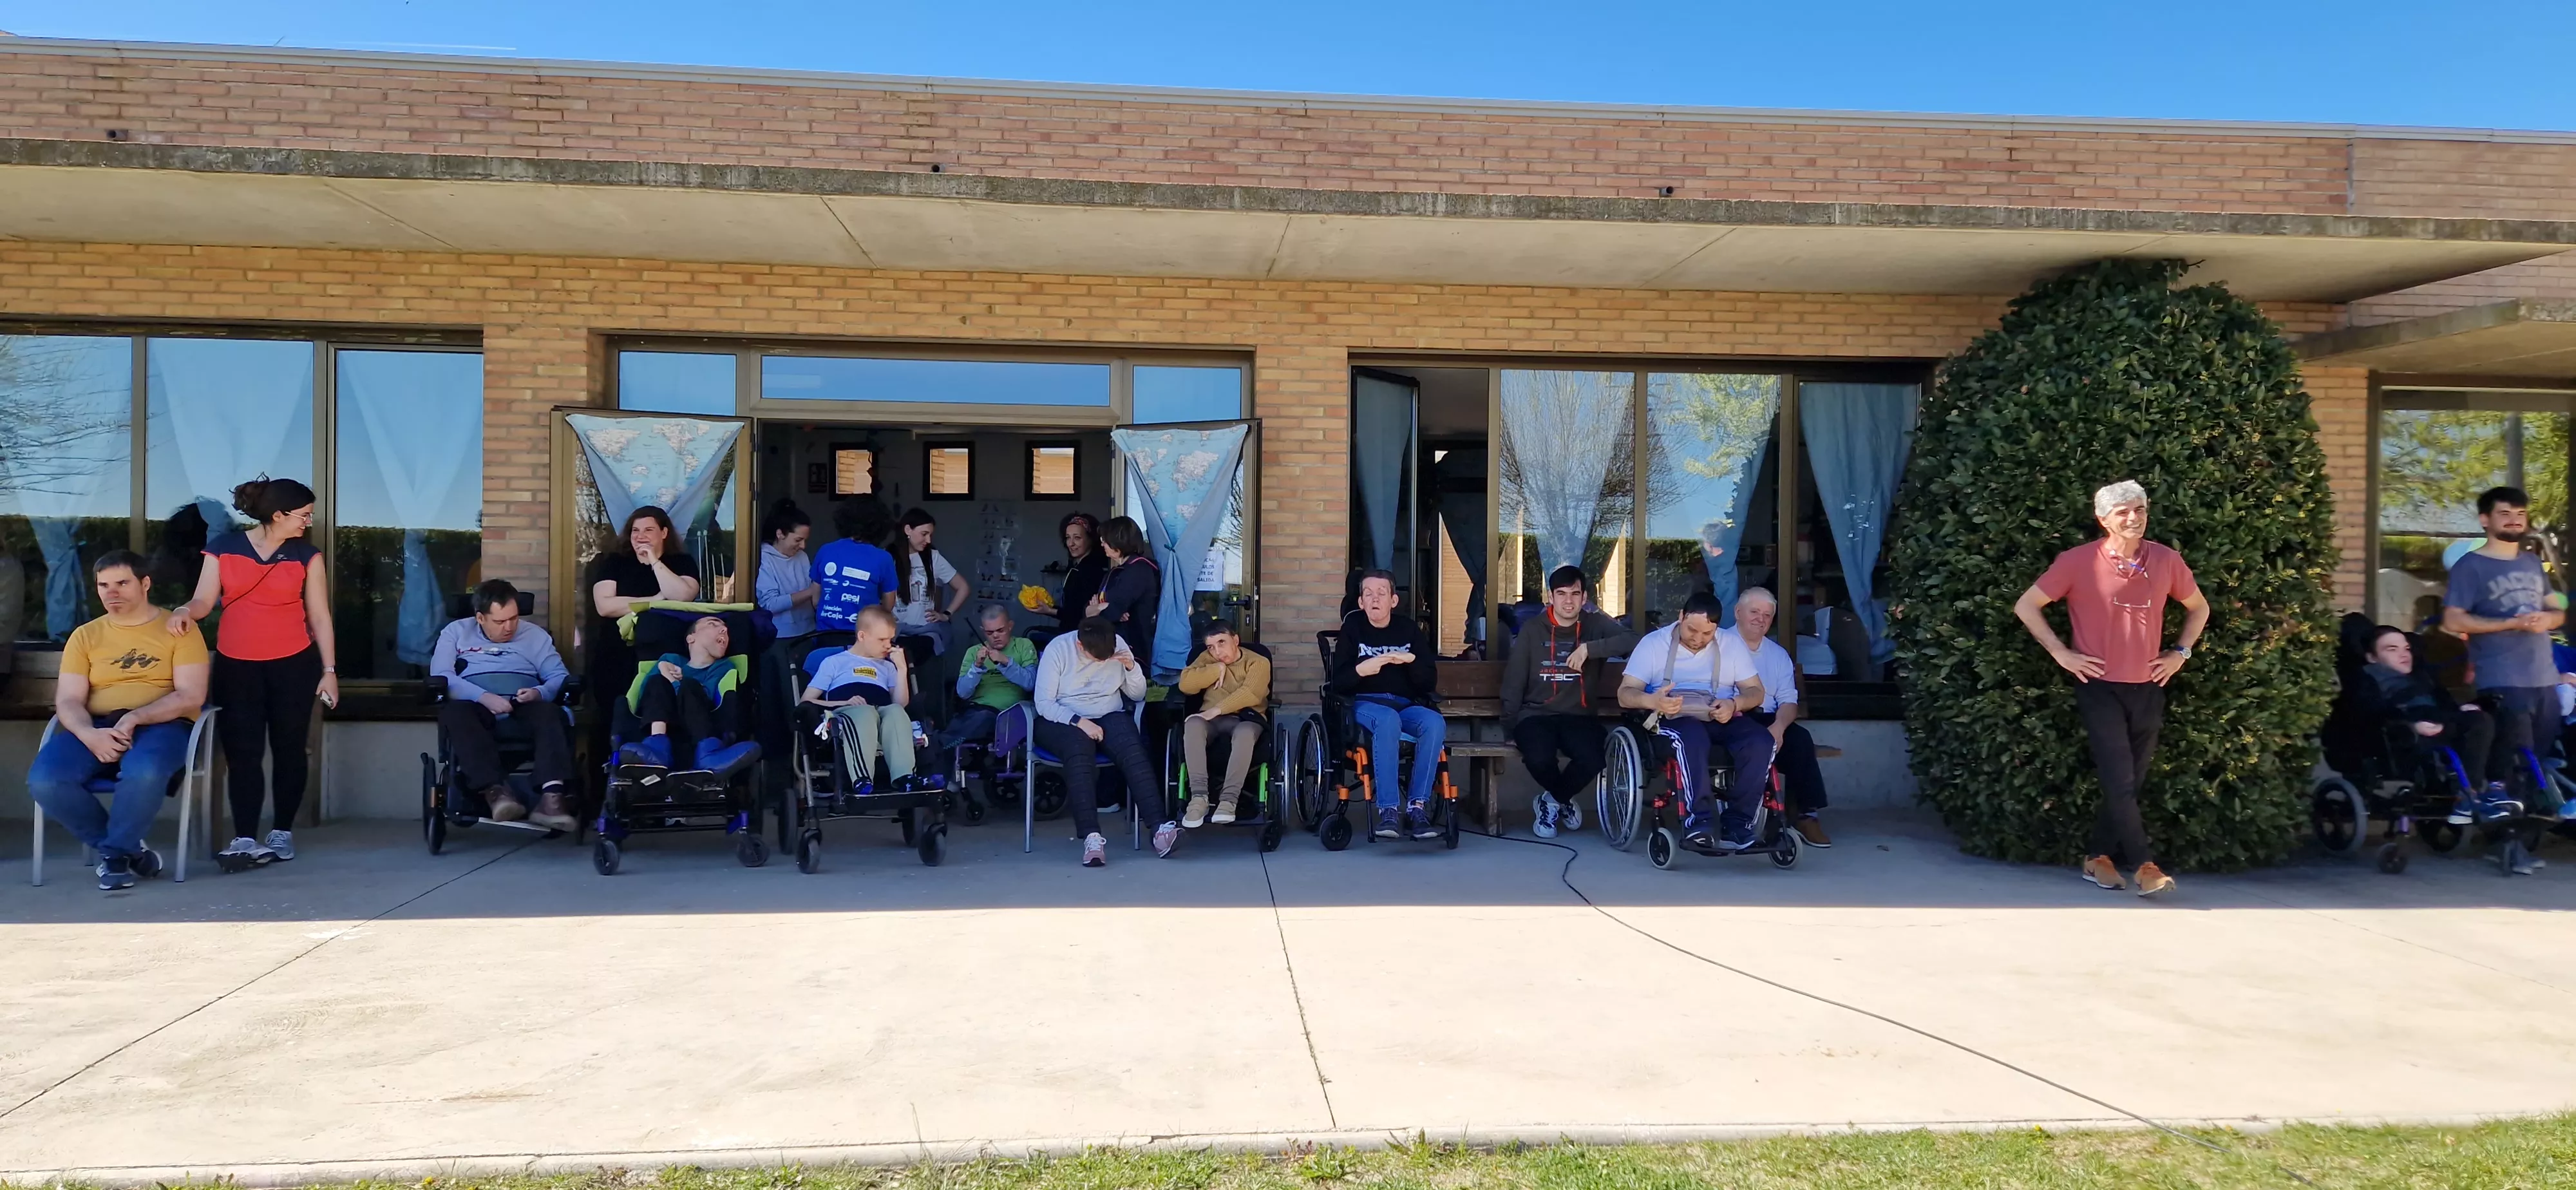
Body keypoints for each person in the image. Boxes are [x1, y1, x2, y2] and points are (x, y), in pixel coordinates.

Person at [2012, 480, 2209, 897]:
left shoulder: (2167, 560)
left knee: (2130, 783)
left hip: (2148, 686)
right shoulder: (2076, 562)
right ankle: (2145, 866)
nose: (2134, 517)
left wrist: (2180, 653)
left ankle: (2097, 857)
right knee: (2120, 780)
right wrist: (2061, 653)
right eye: (2123, 512)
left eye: (2139, 509)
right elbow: (2026, 606)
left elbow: (2199, 607)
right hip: (2098, 685)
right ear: (2103, 520)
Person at [167, 477, 336, 870]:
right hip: (236, 665)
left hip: (295, 664)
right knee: (243, 754)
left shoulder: (307, 556)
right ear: (278, 515)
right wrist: (183, 612)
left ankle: (281, 831)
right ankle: (244, 835)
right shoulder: (223, 549)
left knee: (290, 749)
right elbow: (204, 600)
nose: (308, 522)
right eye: (304, 515)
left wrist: (329, 670)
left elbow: (320, 616)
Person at [29, 551, 208, 891]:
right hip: (96, 725)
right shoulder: (85, 636)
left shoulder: (179, 629)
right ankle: (126, 850)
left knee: (145, 771)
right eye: (103, 585)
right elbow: (68, 699)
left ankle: (114, 855)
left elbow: (190, 696)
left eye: (122, 583)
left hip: (163, 724)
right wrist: (87, 734)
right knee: (46, 780)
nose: (112, 593)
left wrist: (136, 717)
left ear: (145, 584)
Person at [2442, 486, 2570, 824]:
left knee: (2537, 761)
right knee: (2515, 760)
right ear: (2485, 519)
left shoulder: (2531, 563)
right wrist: (2510, 623)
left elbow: (2558, 610)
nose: (2515, 521)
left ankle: (2524, 836)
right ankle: (2507, 844)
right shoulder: (2470, 566)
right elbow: (2453, 619)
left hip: (2543, 677)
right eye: (2505, 514)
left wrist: (2549, 618)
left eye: (2520, 514)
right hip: (2502, 678)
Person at [1618, 591, 1770, 853]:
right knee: (1692, 736)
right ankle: (1698, 822)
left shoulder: (1731, 644)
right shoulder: (1654, 644)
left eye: (1707, 634)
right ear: (1681, 617)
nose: (1698, 640)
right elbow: (1625, 693)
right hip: (1671, 717)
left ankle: (1738, 823)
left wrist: (1735, 704)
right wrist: (1653, 702)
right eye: (1692, 630)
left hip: (1718, 714)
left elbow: (1756, 691)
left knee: (1761, 740)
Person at [1499, 564, 1635, 839]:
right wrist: (1510, 727)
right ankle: (1562, 798)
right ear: (1551, 596)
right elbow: (1514, 681)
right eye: (1561, 594)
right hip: (1536, 715)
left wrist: (1590, 649)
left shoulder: (1594, 624)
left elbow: (1634, 639)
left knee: (1594, 758)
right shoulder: (1532, 630)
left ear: (1585, 597)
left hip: (1579, 715)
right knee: (1538, 758)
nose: (1568, 601)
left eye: (1575, 594)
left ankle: (1551, 801)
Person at [428, 579, 576, 831]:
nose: (509, 627)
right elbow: (442, 675)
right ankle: (497, 793)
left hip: (522, 704)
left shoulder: (535, 635)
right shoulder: (456, 632)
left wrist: (539, 693)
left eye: (514, 619)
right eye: (500, 622)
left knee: (551, 714)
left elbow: (559, 677)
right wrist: (483, 697)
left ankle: (551, 800)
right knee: (455, 712)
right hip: (476, 705)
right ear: (480, 618)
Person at [1035, 615, 1177, 865]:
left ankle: (1159, 829)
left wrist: (1131, 667)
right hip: (1062, 717)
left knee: (1134, 751)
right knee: (1079, 752)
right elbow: (1044, 703)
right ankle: (1092, 838)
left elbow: (1138, 694)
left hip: (1109, 712)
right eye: (1096, 658)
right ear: (1081, 646)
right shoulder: (1059, 649)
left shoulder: (1117, 645)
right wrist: (1079, 722)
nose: (1103, 662)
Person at [1330, 569, 1445, 841]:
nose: (1374, 599)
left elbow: (1428, 681)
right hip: (1365, 704)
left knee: (1434, 722)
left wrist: (1411, 661)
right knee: (1387, 720)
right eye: (1368, 594)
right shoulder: (1352, 630)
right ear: (1360, 602)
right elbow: (1338, 683)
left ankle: (1417, 807)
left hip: (1404, 704)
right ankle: (1389, 810)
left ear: (1393, 600)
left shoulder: (1408, 630)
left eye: (1381, 593)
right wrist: (1364, 669)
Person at [585, 505, 701, 768]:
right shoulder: (613, 563)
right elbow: (605, 606)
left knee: (662, 713)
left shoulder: (682, 563)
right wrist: (656, 600)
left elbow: (683, 596)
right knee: (615, 719)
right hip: (616, 656)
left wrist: (655, 563)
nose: (640, 536)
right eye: (635, 530)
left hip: (667, 653)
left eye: (649, 530)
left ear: (664, 532)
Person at [2358, 625, 2497, 818]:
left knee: (2486, 717)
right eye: (2392, 649)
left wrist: (2461, 709)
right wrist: (2411, 725)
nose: (2404, 654)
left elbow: (2445, 703)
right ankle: (2469, 796)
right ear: (2372, 657)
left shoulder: (2422, 677)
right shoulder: (2368, 680)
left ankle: (2482, 791)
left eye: (2406, 649)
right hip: (2404, 736)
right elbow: (2374, 714)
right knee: (2478, 723)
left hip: (2439, 723)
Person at [1734, 588, 1832, 847]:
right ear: (1738, 613)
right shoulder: (1720, 645)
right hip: (1731, 718)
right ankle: (1746, 819)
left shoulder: (1777, 655)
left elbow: (1789, 700)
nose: (1760, 619)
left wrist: (1779, 726)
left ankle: (1805, 814)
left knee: (1799, 739)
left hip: (1769, 719)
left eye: (1767, 615)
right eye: (1754, 612)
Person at [799, 605, 925, 789]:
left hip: (882, 712)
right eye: (882, 639)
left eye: (890, 639)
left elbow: (900, 703)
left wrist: (902, 669)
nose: (888, 645)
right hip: (848, 712)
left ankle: (904, 776)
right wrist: (844, 702)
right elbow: (806, 700)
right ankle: (862, 778)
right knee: (865, 713)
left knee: (897, 712)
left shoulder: (888, 666)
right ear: (862, 636)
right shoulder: (835, 662)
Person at [620, 614, 755, 773]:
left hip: (701, 723)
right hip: (662, 722)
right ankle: (657, 748)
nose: (724, 630)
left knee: (690, 686)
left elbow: (708, 696)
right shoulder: (669, 659)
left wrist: (675, 681)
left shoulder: (723, 667)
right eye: (713, 624)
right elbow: (646, 696)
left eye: (726, 630)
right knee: (657, 681)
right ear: (691, 638)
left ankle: (708, 753)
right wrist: (663, 668)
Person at [1176, 618, 1271, 827]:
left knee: (1245, 732)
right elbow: (1185, 685)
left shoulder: (1258, 661)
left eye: (1222, 643)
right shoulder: (1207, 658)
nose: (1217, 651)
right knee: (1192, 724)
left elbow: (1250, 694)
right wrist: (1216, 668)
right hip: (1212, 721)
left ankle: (1228, 801)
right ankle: (1199, 798)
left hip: (1246, 718)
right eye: (1211, 647)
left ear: (1235, 640)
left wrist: (1214, 711)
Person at [938, 603, 1037, 751]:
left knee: (981, 719)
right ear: (983, 631)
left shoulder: (1024, 646)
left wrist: (1006, 662)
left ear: (1010, 626)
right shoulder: (974, 652)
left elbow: (1030, 683)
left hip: (1011, 713)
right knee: (978, 717)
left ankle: (940, 743)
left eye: (1000, 630)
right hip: (978, 710)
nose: (996, 636)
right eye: (990, 633)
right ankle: (944, 744)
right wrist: (977, 667)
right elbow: (963, 693)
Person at [811, 498, 898, 637]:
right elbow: (888, 606)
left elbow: (816, 600)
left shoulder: (826, 550)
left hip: (824, 637)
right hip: (864, 639)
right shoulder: (883, 558)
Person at [1088, 515, 1162, 672]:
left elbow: (1112, 611)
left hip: (1131, 652)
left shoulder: (1139, 570)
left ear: (1118, 541)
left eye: (1104, 539)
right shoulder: (1115, 572)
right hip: (1112, 648)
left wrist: (1101, 608)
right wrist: (1101, 608)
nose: (1102, 544)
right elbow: (1088, 612)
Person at [1027, 512, 1107, 638]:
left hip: (1081, 638)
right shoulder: (1078, 567)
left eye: (1077, 538)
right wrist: (1048, 608)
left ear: (1091, 539)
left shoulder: (1091, 571)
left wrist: (1049, 610)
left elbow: (1080, 614)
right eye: (1068, 538)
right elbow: (1071, 609)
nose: (1071, 543)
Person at [755, 500, 819, 647]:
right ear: (780, 534)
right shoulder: (764, 558)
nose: (803, 546)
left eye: (805, 540)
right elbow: (770, 604)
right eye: (798, 540)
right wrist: (811, 591)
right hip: (780, 636)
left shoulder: (802, 556)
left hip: (809, 631)